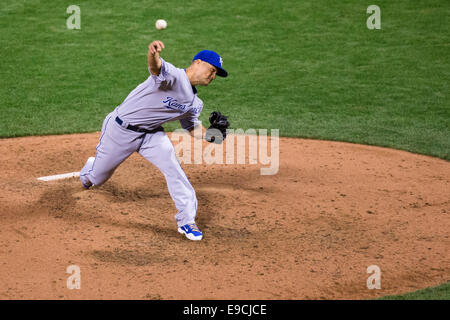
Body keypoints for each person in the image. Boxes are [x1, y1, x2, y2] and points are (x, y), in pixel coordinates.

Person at [79, 40, 228, 241]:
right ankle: (91, 169)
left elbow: (192, 128)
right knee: (96, 179)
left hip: (151, 135)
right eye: (212, 69)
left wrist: (214, 135)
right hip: (120, 130)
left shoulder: (195, 103)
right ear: (197, 62)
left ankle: (187, 220)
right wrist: (153, 53)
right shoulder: (174, 76)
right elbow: (155, 67)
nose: (213, 75)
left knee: (173, 168)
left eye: (216, 74)